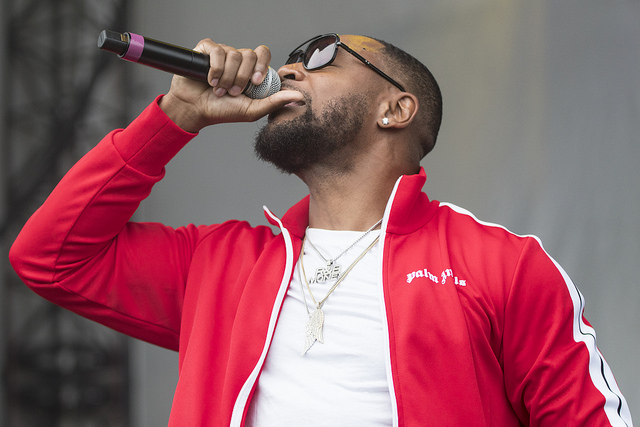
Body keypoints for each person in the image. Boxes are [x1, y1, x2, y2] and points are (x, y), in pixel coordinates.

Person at [9, 33, 633, 426]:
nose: (289, 70)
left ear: (396, 108)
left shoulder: (501, 265)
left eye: (322, 55)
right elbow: (50, 258)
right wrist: (175, 116)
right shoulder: (220, 262)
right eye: (290, 60)